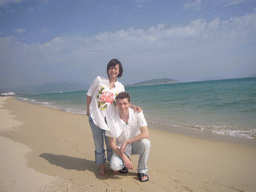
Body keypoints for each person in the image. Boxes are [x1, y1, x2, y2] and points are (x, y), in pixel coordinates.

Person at [86, 59, 140, 176]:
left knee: (110, 144)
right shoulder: (99, 80)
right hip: (96, 117)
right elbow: (89, 93)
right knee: (98, 144)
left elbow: (123, 102)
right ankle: (102, 167)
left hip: (111, 119)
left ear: (119, 71)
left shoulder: (120, 86)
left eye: (116, 68)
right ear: (108, 69)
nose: (113, 70)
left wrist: (134, 106)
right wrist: (88, 110)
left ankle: (112, 166)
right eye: (111, 68)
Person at [106, 92, 150, 182]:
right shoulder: (112, 119)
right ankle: (124, 164)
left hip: (136, 144)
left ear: (130, 104)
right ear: (116, 104)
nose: (122, 107)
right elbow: (112, 143)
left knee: (146, 143)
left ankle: (142, 171)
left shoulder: (137, 113)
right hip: (122, 148)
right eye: (120, 104)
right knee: (114, 166)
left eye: (125, 103)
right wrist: (124, 157)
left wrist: (127, 141)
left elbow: (145, 134)